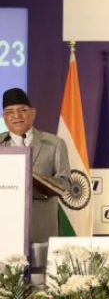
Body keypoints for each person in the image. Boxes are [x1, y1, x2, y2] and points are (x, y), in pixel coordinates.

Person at [1, 87, 71, 243]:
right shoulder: (1, 143)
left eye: (22, 110)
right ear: (4, 118)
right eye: (10, 112)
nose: (16, 116)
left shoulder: (54, 144)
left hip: (41, 227)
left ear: (33, 113)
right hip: (5, 227)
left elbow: (66, 183)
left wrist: (39, 182)